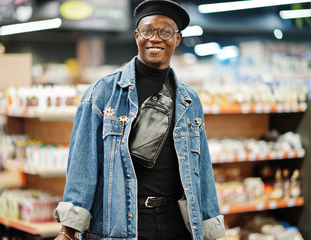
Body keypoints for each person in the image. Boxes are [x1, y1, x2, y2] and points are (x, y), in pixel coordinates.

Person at [54, 0, 225, 239]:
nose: (155, 38)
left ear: (177, 39)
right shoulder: (103, 93)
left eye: (165, 31)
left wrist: (211, 230)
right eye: (147, 30)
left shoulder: (189, 100)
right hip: (122, 223)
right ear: (137, 36)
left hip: (176, 226)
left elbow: (202, 169)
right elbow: (83, 165)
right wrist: (67, 231)